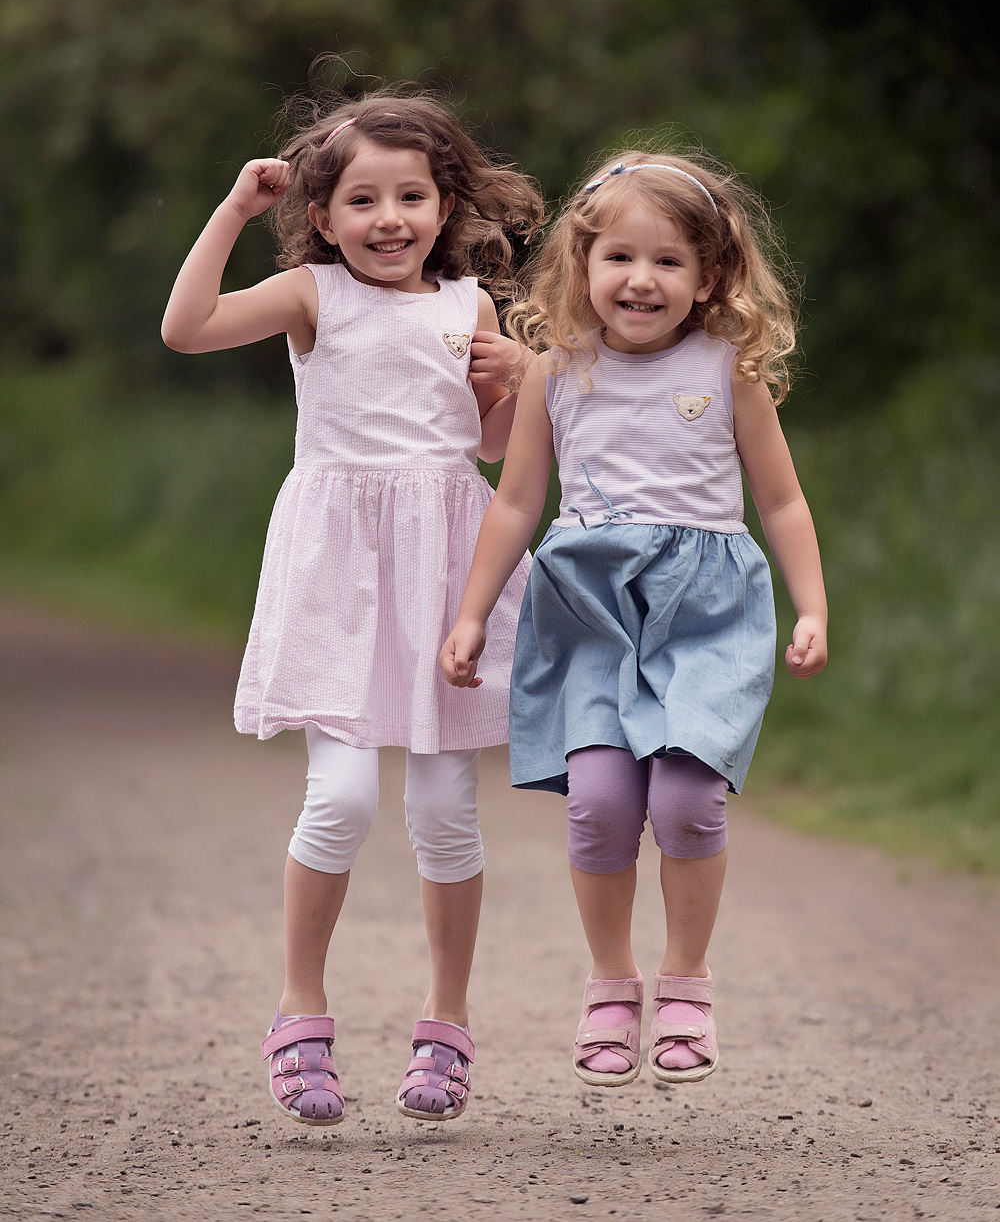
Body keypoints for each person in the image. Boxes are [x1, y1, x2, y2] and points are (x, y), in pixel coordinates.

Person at [162, 92, 539, 1125]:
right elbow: (186, 328)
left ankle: (446, 1024)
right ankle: (300, 1012)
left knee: (444, 812)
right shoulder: (309, 295)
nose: (389, 218)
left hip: (444, 569)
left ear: (444, 202)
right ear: (322, 216)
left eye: (410, 196)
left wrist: (518, 378)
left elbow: (496, 445)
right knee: (342, 799)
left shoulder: (468, 308)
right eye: (361, 199)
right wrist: (233, 212)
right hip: (339, 572)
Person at [440, 150, 827, 1088]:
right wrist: (473, 615)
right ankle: (611, 985)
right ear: (583, 265)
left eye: (667, 262)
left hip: (706, 610)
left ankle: (686, 983)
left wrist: (811, 605)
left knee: (689, 800)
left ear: (708, 278)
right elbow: (515, 502)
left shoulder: (727, 370)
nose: (641, 280)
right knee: (603, 804)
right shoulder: (556, 373)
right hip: (590, 610)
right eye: (619, 257)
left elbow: (781, 501)